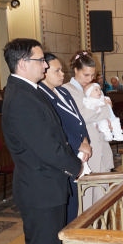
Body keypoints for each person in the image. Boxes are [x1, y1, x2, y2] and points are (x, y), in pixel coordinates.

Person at [1, 38, 82, 244]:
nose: (45, 65)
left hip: (47, 185)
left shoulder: (30, 90)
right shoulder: (21, 98)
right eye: (40, 60)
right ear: (23, 63)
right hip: (39, 189)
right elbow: (47, 147)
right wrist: (76, 166)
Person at [39, 53, 92, 223]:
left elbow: (78, 119)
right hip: (64, 154)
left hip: (77, 153)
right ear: (44, 72)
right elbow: (57, 126)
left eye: (62, 70)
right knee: (66, 209)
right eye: (57, 71)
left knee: (74, 203)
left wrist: (85, 140)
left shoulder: (63, 91)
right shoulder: (42, 96)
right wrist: (78, 144)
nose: (62, 74)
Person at [62, 51, 115, 206]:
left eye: (92, 75)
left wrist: (107, 118)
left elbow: (99, 113)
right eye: (86, 75)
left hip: (100, 145)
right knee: (87, 198)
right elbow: (84, 115)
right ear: (76, 70)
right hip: (85, 149)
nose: (89, 79)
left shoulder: (93, 87)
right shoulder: (67, 90)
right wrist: (106, 108)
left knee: (102, 197)